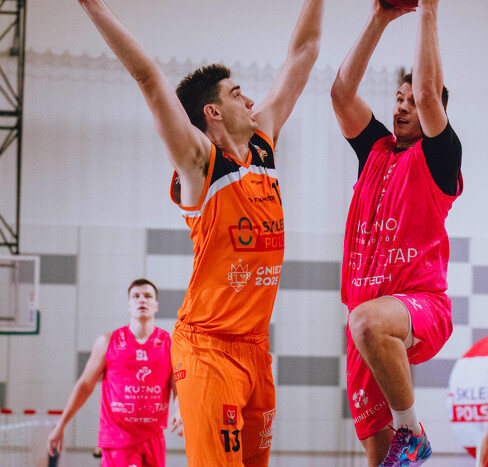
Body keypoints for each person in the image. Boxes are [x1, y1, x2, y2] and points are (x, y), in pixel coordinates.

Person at [77, 0, 323, 464]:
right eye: (237, 94)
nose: (250, 101)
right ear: (213, 112)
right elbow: (149, 78)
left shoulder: (263, 145)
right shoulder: (200, 165)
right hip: (208, 349)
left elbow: (304, 53)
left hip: (256, 350)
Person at [330, 0, 461, 465]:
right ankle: (404, 441)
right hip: (364, 319)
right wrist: (380, 17)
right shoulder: (376, 149)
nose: (404, 105)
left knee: (367, 321)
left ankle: (413, 430)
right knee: (382, 456)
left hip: (420, 305)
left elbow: (428, 91)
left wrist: (427, 10)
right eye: (399, 99)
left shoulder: (440, 155)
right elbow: (341, 94)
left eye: (413, 102)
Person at [47, 279, 182, 467]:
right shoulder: (108, 341)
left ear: (156, 305)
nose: (142, 300)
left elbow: (178, 388)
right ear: (129, 305)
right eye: (136, 296)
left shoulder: (170, 344)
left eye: (147, 296)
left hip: (154, 437)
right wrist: (61, 424)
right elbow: (85, 385)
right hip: (118, 439)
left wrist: (180, 411)